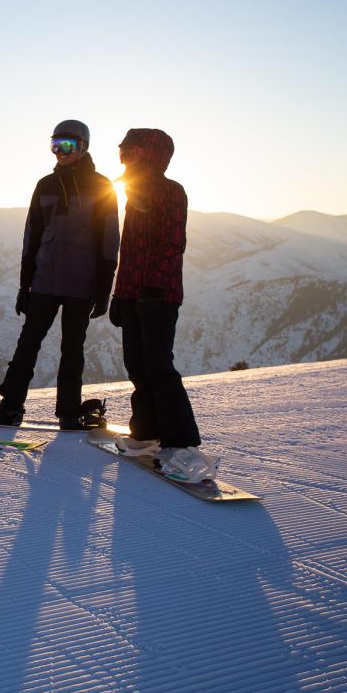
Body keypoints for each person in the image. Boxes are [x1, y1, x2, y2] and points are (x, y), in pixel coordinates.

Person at [0, 119, 119, 429]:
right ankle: (10, 406)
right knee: (28, 344)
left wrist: (104, 288)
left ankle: (69, 412)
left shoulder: (102, 186)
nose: (60, 152)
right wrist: (24, 284)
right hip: (44, 280)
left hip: (81, 283)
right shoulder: (45, 185)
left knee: (72, 348)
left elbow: (110, 240)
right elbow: (31, 236)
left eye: (68, 145)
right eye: (55, 145)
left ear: (83, 147)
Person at [108, 128, 216, 483]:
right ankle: (146, 434)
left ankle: (182, 445)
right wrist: (120, 295)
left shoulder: (170, 192)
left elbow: (172, 244)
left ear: (151, 155)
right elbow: (131, 252)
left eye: (131, 152)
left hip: (158, 295)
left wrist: (151, 288)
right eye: (122, 151)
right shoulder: (132, 191)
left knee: (158, 367)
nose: (125, 158)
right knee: (137, 364)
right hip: (135, 293)